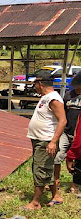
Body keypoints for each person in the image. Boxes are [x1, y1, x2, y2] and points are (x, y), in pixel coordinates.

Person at [24, 75, 67, 210]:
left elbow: (63, 121)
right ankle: (56, 196)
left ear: (40, 83)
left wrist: (53, 142)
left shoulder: (54, 99)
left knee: (41, 169)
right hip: (40, 139)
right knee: (46, 167)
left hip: (46, 140)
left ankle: (36, 202)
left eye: (35, 84)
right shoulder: (46, 97)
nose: (34, 87)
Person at [58, 73, 81, 195]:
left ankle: (75, 185)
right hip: (67, 132)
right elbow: (63, 113)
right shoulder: (68, 95)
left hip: (80, 134)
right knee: (58, 155)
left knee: (78, 161)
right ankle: (54, 181)